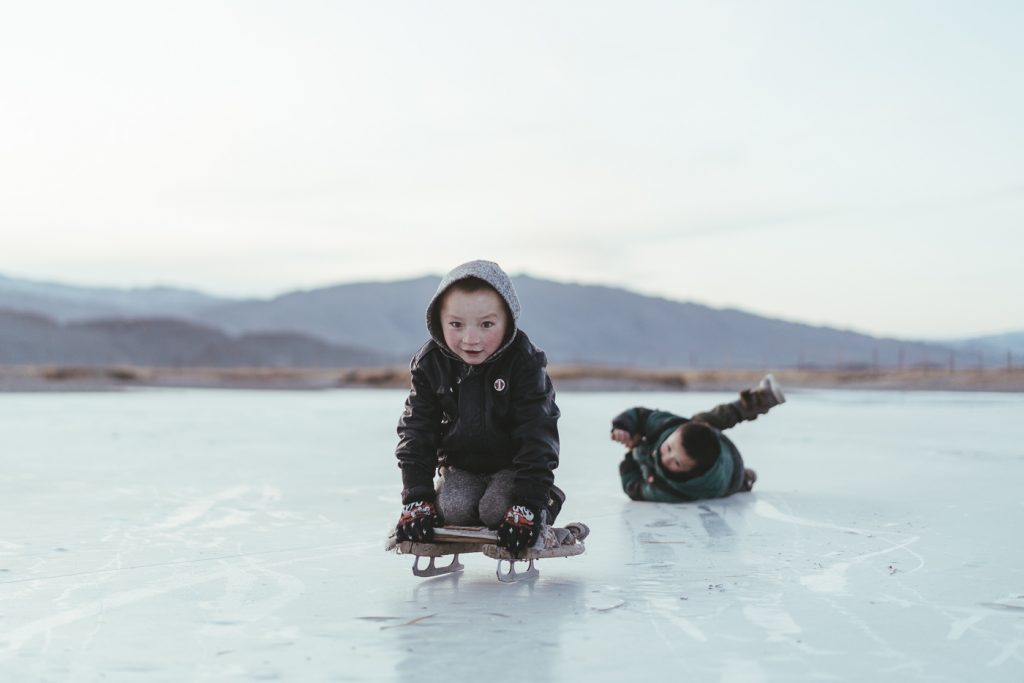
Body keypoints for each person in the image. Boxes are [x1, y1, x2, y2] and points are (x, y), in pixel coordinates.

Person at [393, 260, 563, 556]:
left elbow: (537, 434)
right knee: (452, 511)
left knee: (497, 511)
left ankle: (548, 500)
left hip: (513, 468)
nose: (471, 340)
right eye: (456, 325)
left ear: (508, 321)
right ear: (439, 322)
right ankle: (465, 499)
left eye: (487, 325)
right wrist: (417, 498)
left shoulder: (524, 362)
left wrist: (528, 502)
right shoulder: (430, 363)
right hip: (463, 467)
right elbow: (416, 432)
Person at [610, 375, 786, 502]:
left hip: (731, 474)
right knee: (701, 421)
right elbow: (641, 415)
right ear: (674, 433)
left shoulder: (672, 489)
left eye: (677, 463)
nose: (665, 458)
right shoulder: (672, 427)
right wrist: (624, 427)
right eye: (669, 448)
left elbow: (635, 489)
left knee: (730, 484)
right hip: (711, 440)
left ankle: (747, 478)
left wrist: (632, 455)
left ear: (690, 473)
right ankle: (761, 399)